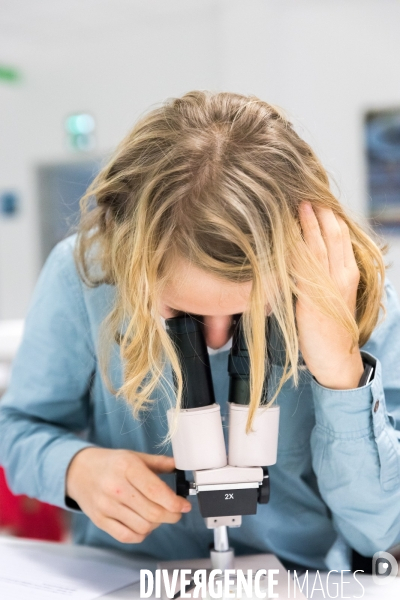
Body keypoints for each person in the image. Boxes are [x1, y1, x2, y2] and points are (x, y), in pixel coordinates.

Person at [0, 91, 399, 572]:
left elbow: (380, 529)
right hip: (128, 574)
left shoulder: (355, 294)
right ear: (132, 263)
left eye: (248, 315)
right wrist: (74, 469)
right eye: (183, 316)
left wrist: (340, 372)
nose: (214, 341)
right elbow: (18, 428)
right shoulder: (84, 276)